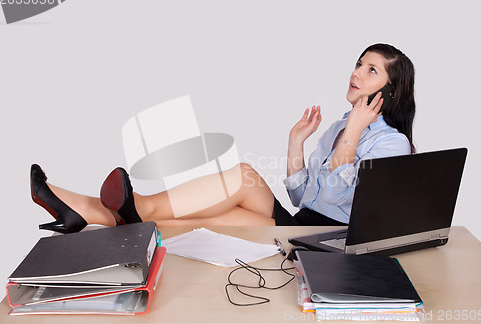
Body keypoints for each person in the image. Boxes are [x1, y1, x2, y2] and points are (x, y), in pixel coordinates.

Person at [30, 43, 416, 233]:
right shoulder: (336, 127)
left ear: (390, 90)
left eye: (371, 70)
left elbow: (334, 201)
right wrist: (295, 143)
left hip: (330, 243)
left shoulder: (392, 145)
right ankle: (85, 209)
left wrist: (353, 133)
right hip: (301, 227)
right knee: (199, 214)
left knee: (240, 178)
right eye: (358, 64)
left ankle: (133, 207)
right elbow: (302, 198)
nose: (357, 73)